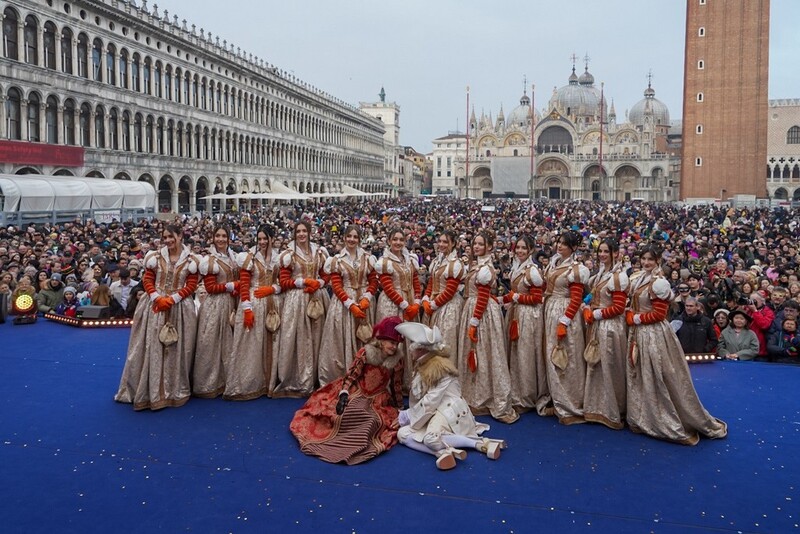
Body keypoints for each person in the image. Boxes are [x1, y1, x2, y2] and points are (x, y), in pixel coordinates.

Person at [625, 243, 727, 445]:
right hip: (638, 332)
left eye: (650, 260)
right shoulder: (638, 278)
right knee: (641, 372)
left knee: (659, 374)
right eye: (643, 259)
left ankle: (664, 417)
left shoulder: (659, 283)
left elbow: (659, 314)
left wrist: (634, 318)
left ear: (658, 261)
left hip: (653, 333)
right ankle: (642, 415)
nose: (645, 262)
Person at [289, 316, 405, 465]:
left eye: (396, 344)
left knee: (373, 421)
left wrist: (400, 409)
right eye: (391, 342)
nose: (394, 347)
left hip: (378, 398)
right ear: (382, 340)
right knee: (344, 413)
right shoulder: (365, 352)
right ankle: (330, 442)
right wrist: (344, 394)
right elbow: (351, 375)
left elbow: (396, 386)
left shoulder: (397, 361)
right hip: (357, 391)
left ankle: (355, 447)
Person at [396, 322, 507, 471]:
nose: (411, 352)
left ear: (421, 350)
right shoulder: (423, 365)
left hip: (449, 410)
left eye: (413, 348)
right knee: (402, 434)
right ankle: (443, 452)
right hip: (434, 411)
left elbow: (431, 400)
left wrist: (408, 415)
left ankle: (480, 444)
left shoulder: (440, 368)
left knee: (430, 439)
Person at [115, 224, 199, 411]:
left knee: (177, 348)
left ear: (180, 236)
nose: (168, 240)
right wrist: (156, 297)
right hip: (154, 303)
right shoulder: (154, 256)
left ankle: (172, 389)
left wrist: (174, 298)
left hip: (179, 306)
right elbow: (147, 278)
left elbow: (192, 283)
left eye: (171, 237)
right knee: (150, 345)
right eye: (165, 237)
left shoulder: (192, 260)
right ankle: (148, 389)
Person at [457, 230, 518, 424]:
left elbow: (483, 295)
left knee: (483, 351)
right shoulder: (477, 265)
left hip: (481, 312)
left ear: (489, 246)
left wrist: (475, 321)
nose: (476, 247)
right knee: (479, 352)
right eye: (475, 244)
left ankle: (484, 396)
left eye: (480, 244)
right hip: (476, 308)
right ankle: (475, 394)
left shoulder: (485, 268)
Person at [225, 224, 282, 400]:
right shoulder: (248, 258)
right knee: (250, 343)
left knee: (271, 342)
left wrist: (272, 288)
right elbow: (244, 284)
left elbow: (282, 283)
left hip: (272, 303)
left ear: (272, 239)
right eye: (260, 239)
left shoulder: (278, 259)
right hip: (253, 301)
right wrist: (247, 308)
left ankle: (268, 383)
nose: (262, 242)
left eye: (266, 238)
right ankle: (249, 382)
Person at [318, 225, 378, 386]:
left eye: (355, 237)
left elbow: (373, 281)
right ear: (344, 238)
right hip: (344, 305)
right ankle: (346, 375)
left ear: (359, 239)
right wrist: (350, 304)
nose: (352, 239)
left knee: (367, 337)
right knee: (343, 338)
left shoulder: (368, 258)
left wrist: (367, 296)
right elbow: (336, 285)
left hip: (365, 302)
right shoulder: (336, 260)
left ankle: (366, 376)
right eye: (349, 236)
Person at [275, 220, 329, 397]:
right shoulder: (289, 254)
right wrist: (303, 281)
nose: (301, 234)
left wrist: (319, 282)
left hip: (317, 297)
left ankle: (314, 377)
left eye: (304, 231)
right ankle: (299, 378)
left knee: (317, 337)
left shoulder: (319, 252)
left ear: (309, 232)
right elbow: (283, 282)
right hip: (296, 299)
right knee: (299, 338)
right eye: (298, 231)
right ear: (294, 233)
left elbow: (325, 275)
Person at [542, 231, 590, 425]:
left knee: (565, 357)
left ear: (573, 248)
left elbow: (576, 298)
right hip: (551, 310)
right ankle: (556, 397)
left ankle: (570, 402)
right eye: (558, 242)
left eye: (564, 244)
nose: (559, 246)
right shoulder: (556, 263)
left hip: (564, 311)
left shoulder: (576, 269)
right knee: (552, 355)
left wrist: (565, 320)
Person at [582, 237, 629, 430]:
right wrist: (586, 304)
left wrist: (595, 313)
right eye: (600, 251)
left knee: (610, 367)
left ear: (615, 254)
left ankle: (613, 410)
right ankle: (597, 407)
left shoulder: (618, 276)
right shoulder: (602, 273)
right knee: (598, 366)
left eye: (605, 252)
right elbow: (595, 295)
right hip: (598, 325)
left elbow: (618, 307)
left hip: (610, 326)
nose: (602, 255)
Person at [502, 234, 548, 415]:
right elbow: (513, 293)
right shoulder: (518, 268)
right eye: (518, 248)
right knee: (516, 353)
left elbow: (537, 298)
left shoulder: (533, 271)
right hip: (517, 312)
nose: (520, 251)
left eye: (523, 248)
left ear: (530, 250)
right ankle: (517, 391)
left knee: (526, 354)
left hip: (529, 316)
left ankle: (527, 395)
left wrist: (516, 298)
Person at [193, 225, 239, 398]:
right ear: (213, 238)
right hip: (216, 304)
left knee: (230, 342)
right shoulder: (209, 261)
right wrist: (232, 286)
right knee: (212, 342)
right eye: (217, 236)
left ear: (228, 238)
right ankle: (210, 382)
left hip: (233, 301)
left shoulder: (233, 256)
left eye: (223, 236)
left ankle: (228, 379)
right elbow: (210, 288)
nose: (220, 239)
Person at [374, 226, 422, 390]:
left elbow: (415, 281)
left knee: (409, 342)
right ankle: (387, 384)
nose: (398, 242)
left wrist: (417, 301)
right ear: (388, 241)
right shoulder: (384, 262)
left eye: (401, 240)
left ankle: (406, 382)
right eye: (395, 239)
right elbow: (387, 286)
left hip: (409, 303)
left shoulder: (409, 260)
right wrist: (404, 304)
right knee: (391, 341)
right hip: (391, 304)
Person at [421, 230, 465, 366]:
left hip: (449, 306)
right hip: (434, 305)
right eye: (439, 241)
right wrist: (426, 299)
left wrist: (433, 305)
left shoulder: (455, 264)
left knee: (445, 341)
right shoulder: (436, 261)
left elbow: (450, 291)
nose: (441, 244)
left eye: (445, 242)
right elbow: (431, 283)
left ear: (453, 244)